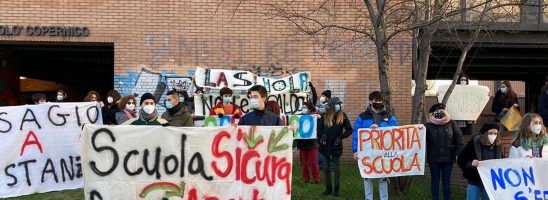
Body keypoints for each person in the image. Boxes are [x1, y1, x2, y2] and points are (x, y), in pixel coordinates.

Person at [352, 91, 398, 200]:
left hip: (382, 151)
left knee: (383, 177)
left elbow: (395, 128)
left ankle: (384, 198)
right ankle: (368, 198)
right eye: (375, 100)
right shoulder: (362, 117)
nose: (378, 102)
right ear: (370, 101)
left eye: (380, 100)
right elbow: (356, 135)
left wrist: (380, 126)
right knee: (367, 178)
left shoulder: (388, 116)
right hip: (367, 152)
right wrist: (355, 150)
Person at [425, 103, 465, 200]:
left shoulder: (452, 123)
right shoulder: (428, 126)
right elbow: (419, 140)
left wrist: (457, 154)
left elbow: (459, 140)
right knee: (435, 182)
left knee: (446, 182)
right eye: (436, 113)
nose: (439, 114)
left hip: (448, 159)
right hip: (434, 159)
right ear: (432, 114)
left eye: (441, 112)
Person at [457, 122, 503, 200]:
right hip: (475, 180)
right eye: (491, 133)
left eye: (496, 133)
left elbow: (501, 161)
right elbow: (461, 159)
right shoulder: (475, 142)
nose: (493, 136)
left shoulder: (497, 145)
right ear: (485, 133)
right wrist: (471, 163)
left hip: (489, 181)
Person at [317, 97, 352, 197]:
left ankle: (336, 190)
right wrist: (322, 135)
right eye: (337, 104)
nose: (338, 106)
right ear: (332, 106)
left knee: (336, 168)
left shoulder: (343, 115)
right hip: (325, 145)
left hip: (336, 145)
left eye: (339, 104)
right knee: (326, 168)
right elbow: (319, 129)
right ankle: (328, 188)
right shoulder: (324, 115)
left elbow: (349, 129)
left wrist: (341, 137)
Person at [296, 101, 320, 184]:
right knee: (304, 163)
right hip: (302, 143)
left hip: (312, 143)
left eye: (305, 107)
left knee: (313, 162)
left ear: (309, 108)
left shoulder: (314, 116)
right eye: (302, 107)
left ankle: (316, 179)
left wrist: (318, 118)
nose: (303, 109)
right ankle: (306, 179)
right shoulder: (299, 116)